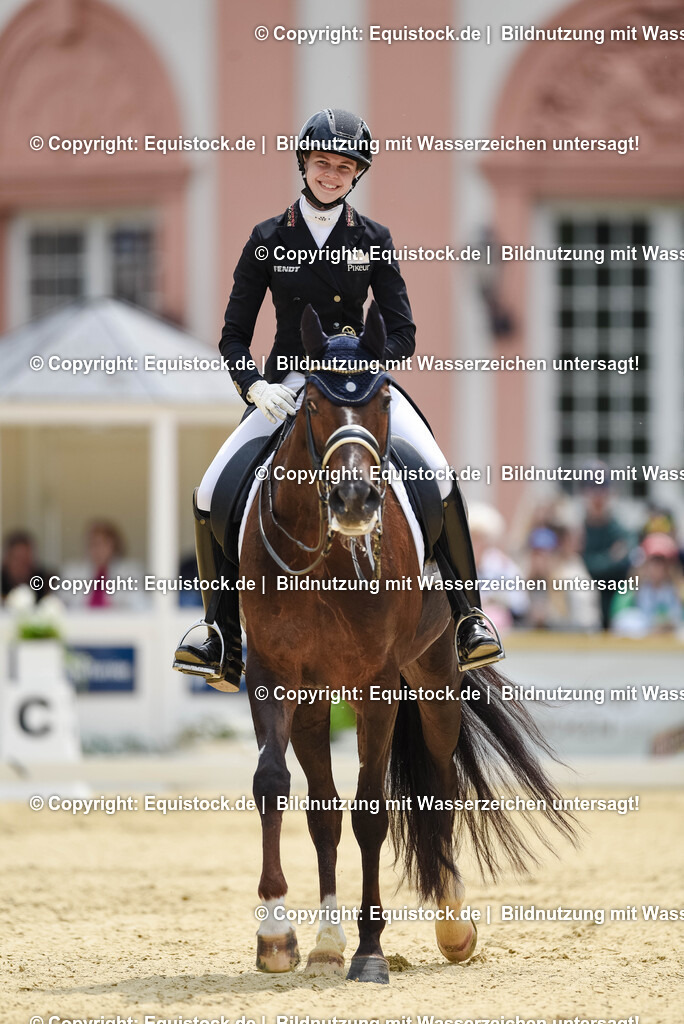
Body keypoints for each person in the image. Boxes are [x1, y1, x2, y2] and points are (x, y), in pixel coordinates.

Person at [173, 108, 503, 690]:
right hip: (291, 384)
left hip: (360, 386)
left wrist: (361, 369)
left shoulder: (372, 239)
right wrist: (253, 386)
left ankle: (470, 620)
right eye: (322, 163)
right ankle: (219, 633)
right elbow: (233, 332)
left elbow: (404, 332)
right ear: (304, 164)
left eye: (344, 167)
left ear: (356, 175)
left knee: (441, 476)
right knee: (208, 488)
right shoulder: (269, 239)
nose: (331, 174)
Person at [1, 530, 52, 602]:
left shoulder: (45, 583)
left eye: (26, 559)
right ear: (6, 560)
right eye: (18, 559)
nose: (22, 565)